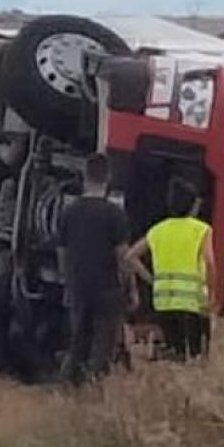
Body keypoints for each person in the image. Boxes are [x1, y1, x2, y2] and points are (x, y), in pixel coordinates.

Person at [56, 154, 133, 384]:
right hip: (107, 290)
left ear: (84, 176)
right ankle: (94, 388)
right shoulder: (115, 214)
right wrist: (130, 289)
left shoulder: (68, 212)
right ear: (108, 177)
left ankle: (69, 385)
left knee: (78, 340)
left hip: (78, 286)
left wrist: (67, 281)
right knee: (103, 344)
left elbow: (61, 252)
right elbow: (124, 257)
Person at [126, 180, 214, 360]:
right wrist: (211, 297)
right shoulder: (201, 230)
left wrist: (152, 280)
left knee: (175, 354)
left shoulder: (158, 230)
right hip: (193, 304)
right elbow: (210, 263)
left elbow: (130, 256)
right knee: (197, 357)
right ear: (192, 206)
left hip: (164, 302)